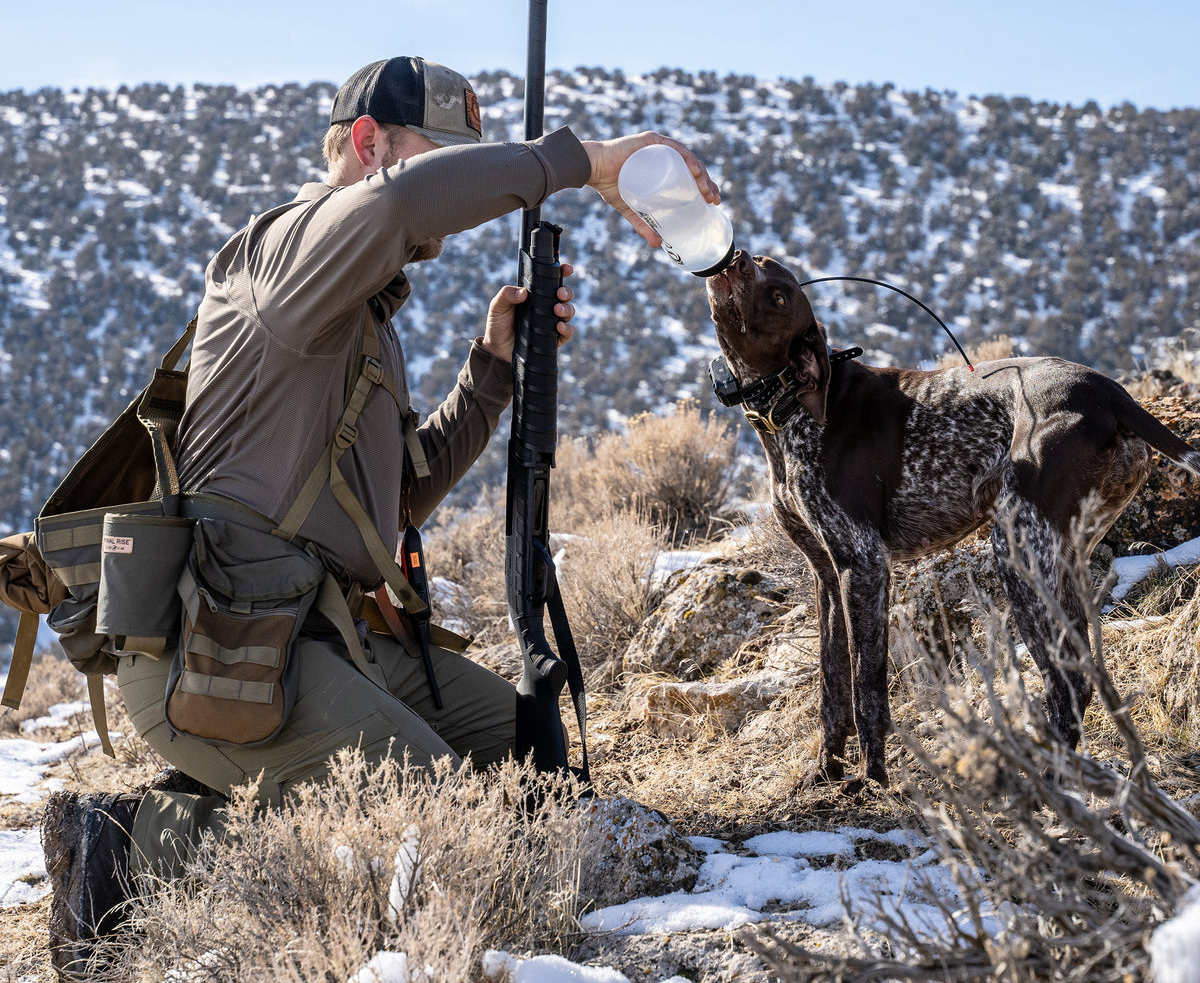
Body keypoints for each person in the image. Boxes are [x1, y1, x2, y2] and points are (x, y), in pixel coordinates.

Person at [42, 55, 718, 972]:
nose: (451, 185)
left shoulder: (363, 316)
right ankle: (131, 847)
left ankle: (259, 797)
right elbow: (405, 204)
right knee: (441, 825)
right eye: (435, 155)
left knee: (529, 769)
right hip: (219, 651)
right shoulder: (285, 251)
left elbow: (397, 499)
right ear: (368, 145)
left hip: (321, 635)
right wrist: (579, 160)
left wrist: (490, 369)